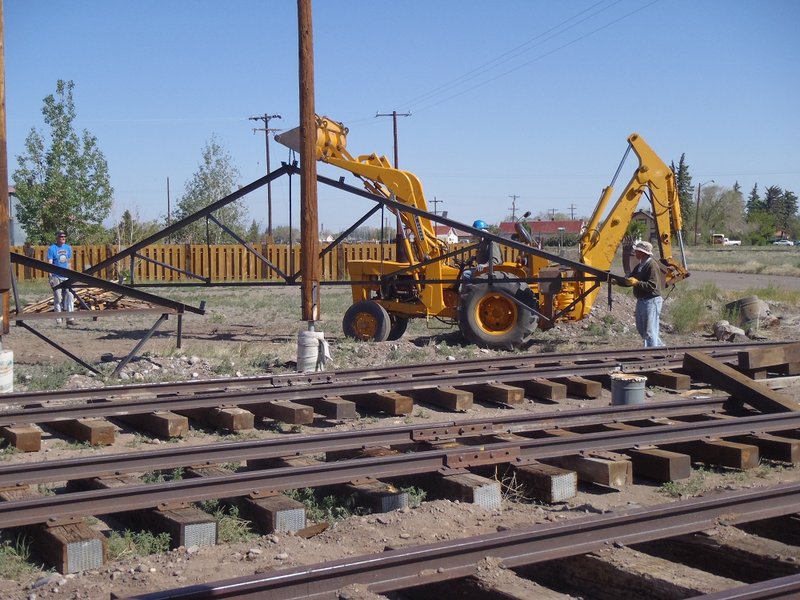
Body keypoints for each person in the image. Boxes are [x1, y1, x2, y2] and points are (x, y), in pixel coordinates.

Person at [619, 240, 663, 347]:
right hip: (642, 300)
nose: (635, 253)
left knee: (649, 330)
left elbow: (652, 286)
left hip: (651, 300)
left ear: (643, 253)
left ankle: (653, 353)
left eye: (637, 251)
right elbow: (631, 280)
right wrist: (619, 282)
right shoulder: (640, 265)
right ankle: (661, 349)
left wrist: (637, 283)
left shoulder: (652, 265)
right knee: (642, 328)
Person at [47, 230, 75, 325]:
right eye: (61, 236)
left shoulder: (68, 248)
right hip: (56, 276)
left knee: (69, 296)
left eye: (64, 236)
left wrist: (71, 274)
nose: (63, 238)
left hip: (66, 276)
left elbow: (68, 262)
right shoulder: (52, 248)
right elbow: (50, 263)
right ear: (57, 238)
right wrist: (50, 276)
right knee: (58, 298)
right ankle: (59, 319)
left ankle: (70, 318)